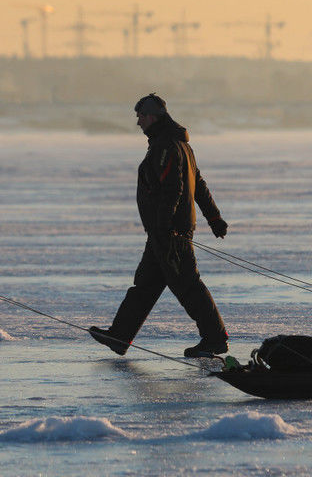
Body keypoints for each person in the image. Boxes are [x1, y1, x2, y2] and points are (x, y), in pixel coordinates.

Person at [89, 93, 230, 359]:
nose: (138, 122)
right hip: (164, 231)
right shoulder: (176, 144)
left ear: (152, 116)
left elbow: (174, 188)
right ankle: (120, 336)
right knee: (145, 285)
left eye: (141, 116)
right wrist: (214, 218)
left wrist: (165, 226)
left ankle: (214, 339)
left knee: (188, 285)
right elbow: (198, 184)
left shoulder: (166, 146)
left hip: (170, 232)